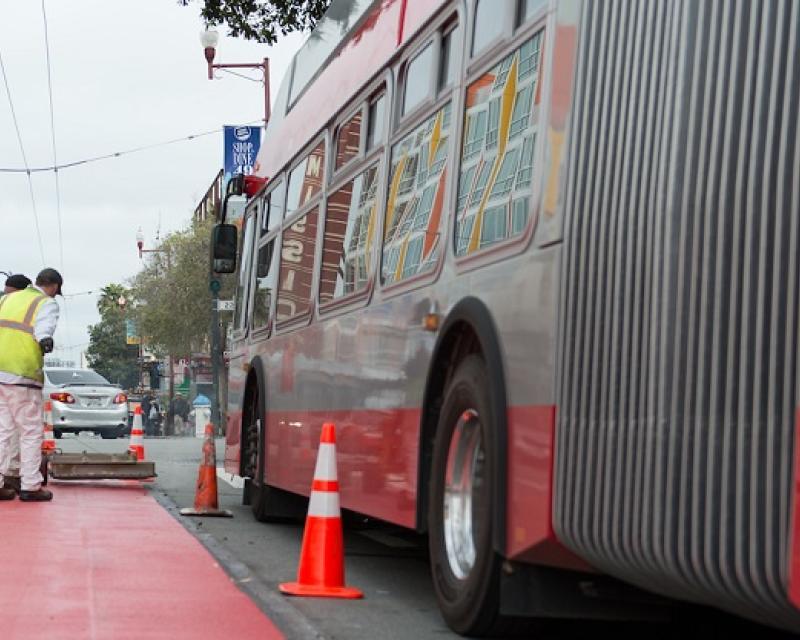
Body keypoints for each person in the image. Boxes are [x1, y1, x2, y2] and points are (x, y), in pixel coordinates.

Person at [0, 268, 63, 501]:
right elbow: (44, 328)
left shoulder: (7, 298)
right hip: (21, 372)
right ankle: (30, 485)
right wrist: (46, 340)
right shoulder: (45, 302)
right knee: (30, 430)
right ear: (54, 287)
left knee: (3, 430)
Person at [0, 273, 32, 493]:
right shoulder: (21, 307)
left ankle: (11, 474)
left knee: (9, 429)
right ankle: (13, 473)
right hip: (14, 375)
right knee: (16, 429)